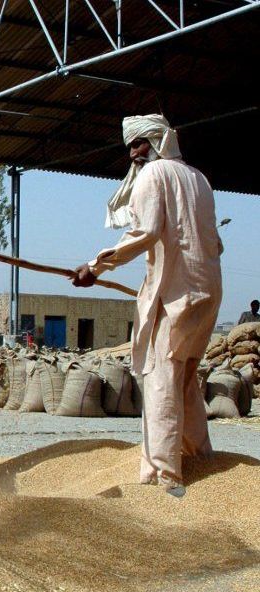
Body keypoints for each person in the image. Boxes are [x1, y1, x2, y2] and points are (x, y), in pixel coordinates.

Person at [72, 114, 222, 495]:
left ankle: (163, 476)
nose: (133, 154)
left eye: (139, 144)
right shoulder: (200, 179)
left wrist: (95, 266)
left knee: (159, 377)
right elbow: (212, 242)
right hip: (207, 292)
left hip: (177, 297)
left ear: (156, 140)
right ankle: (201, 456)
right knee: (185, 377)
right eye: (129, 147)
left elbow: (146, 231)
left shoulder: (153, 176)